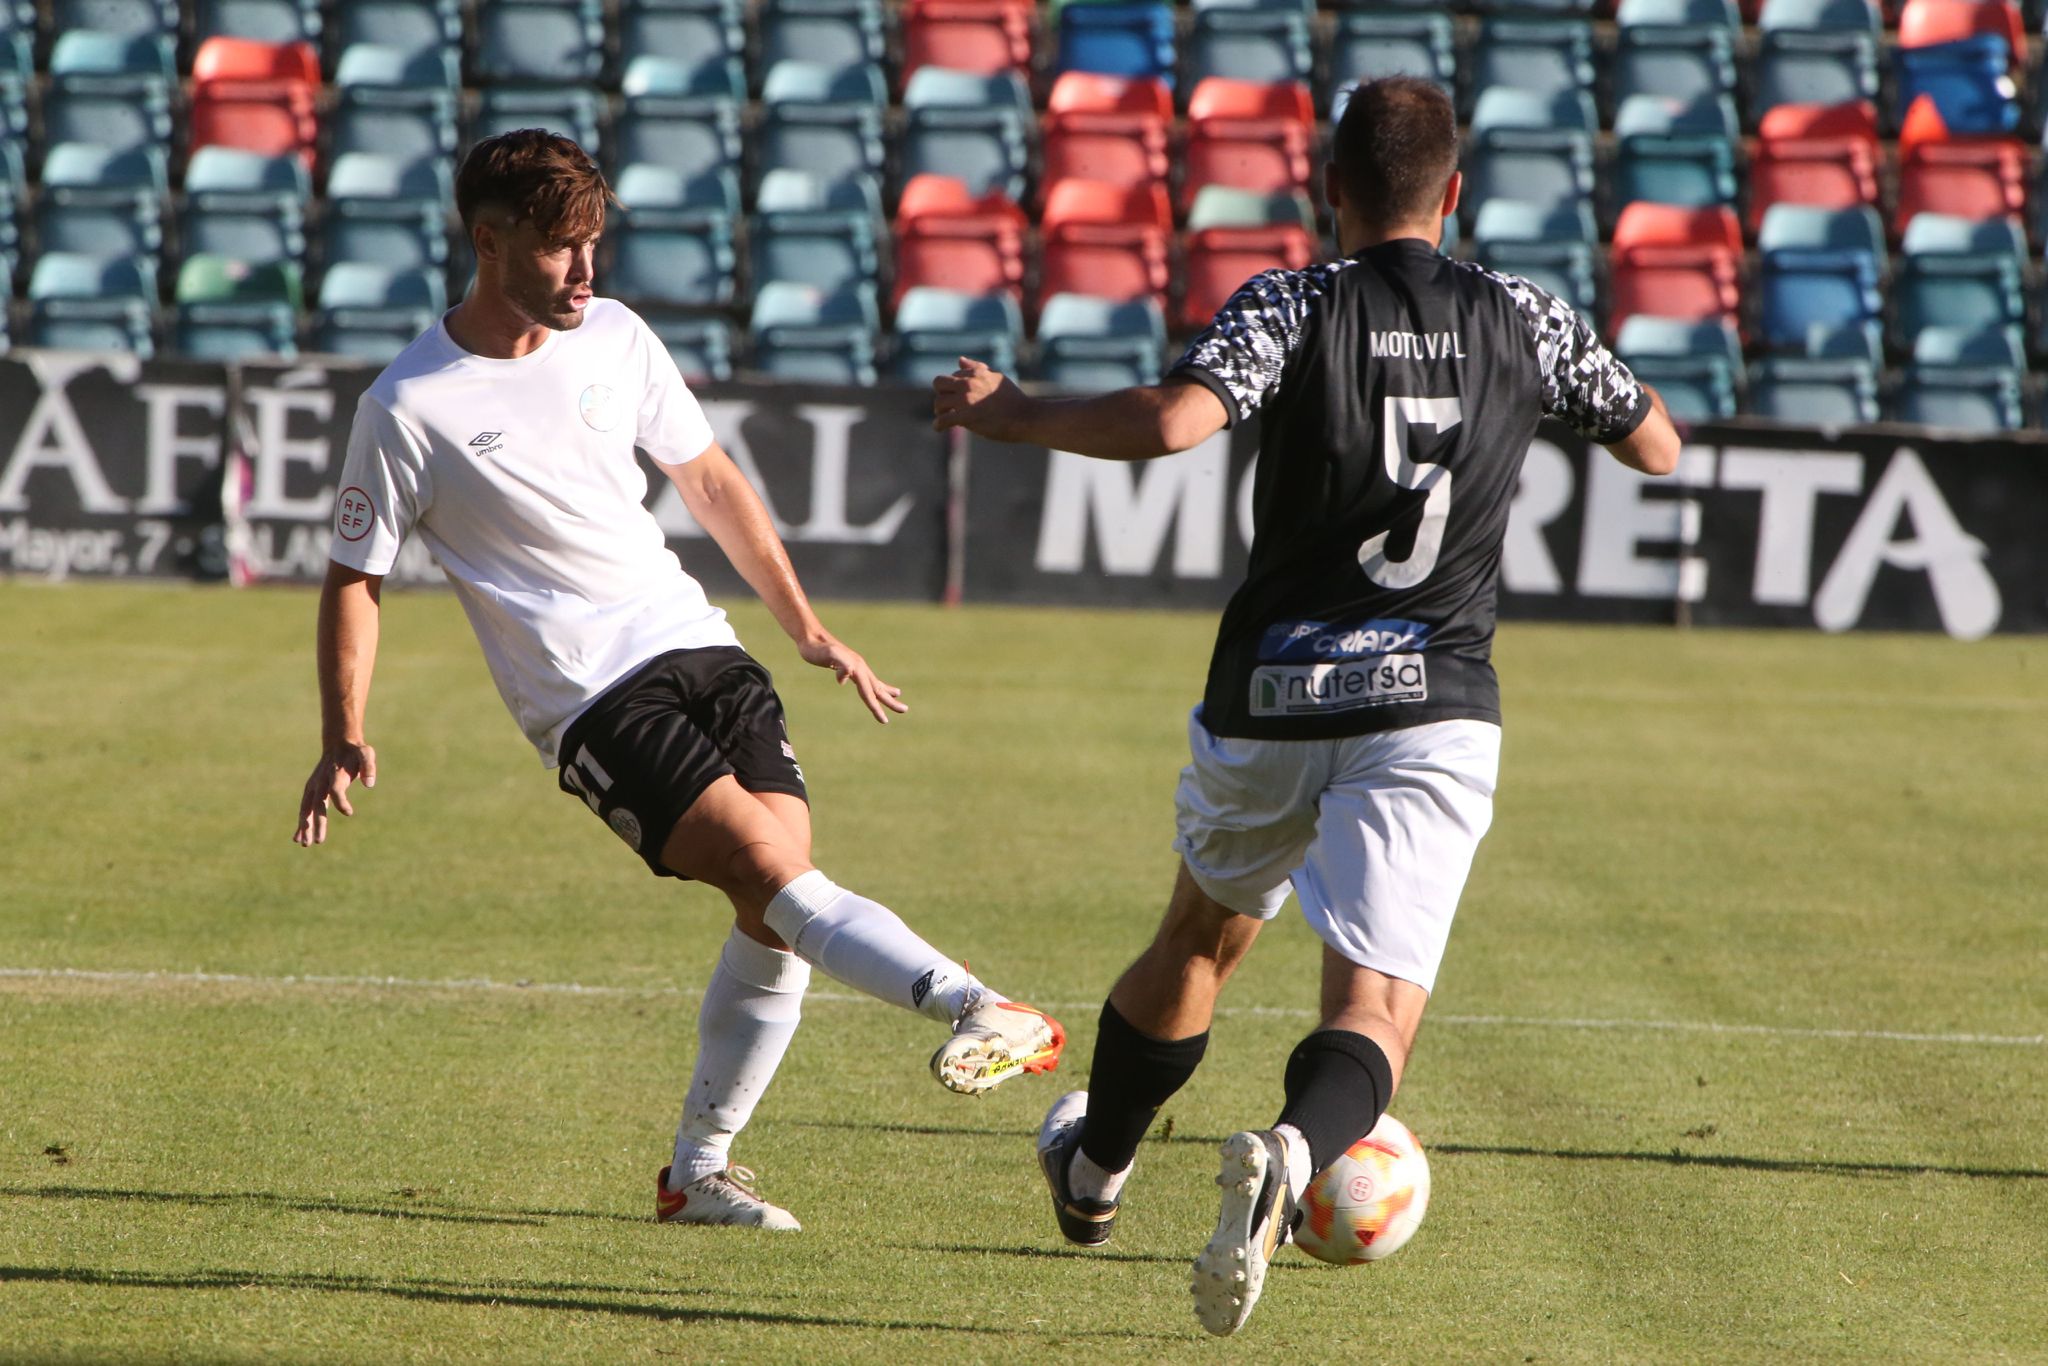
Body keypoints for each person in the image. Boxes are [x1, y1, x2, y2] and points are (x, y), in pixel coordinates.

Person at [933, 77, 1680, 1335]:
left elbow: (1176, 421)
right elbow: (1653, 442)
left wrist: (1015, 416)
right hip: (1431, 698)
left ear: (1327, 190)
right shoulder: (1521, 315)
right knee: (1371, 1008)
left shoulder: (1293, 300)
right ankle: (1293, 1148)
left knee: (1199, 940)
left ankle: (1094, 1173)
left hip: (1274, 690)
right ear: (1452, 195)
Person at [293, 130, 1064, 1232]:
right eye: (561, 249)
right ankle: (976, 1003)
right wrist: (343, 728)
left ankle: (696, 1173)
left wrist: (805, 628)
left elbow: (705, 475)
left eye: (594, 243)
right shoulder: (409, 405)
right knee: (765, 868)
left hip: (696, 644)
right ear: (488, 240)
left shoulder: (616, 335)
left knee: (779, 899)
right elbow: (352, 577)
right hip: (589, 694)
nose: (585, 269)